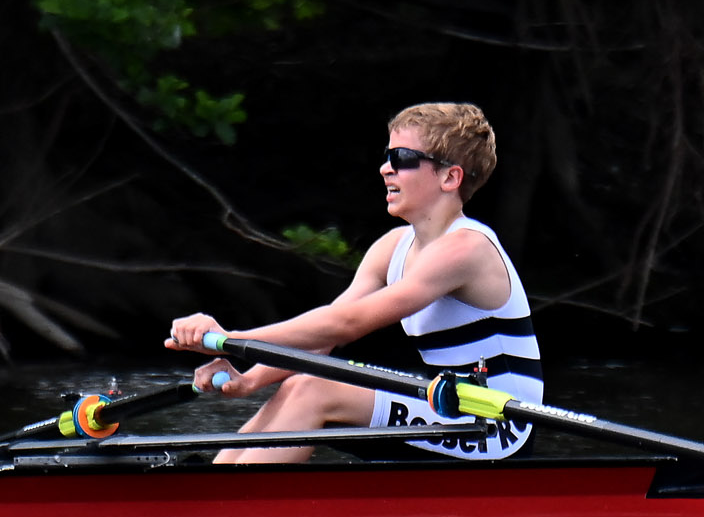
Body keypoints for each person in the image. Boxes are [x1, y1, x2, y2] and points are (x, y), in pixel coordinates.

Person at [165, 102, 541, 464]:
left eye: (403, 159)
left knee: (312, 389)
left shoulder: (466, 248)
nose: (385, 169)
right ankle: (214, 491)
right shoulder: (392, 247)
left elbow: (350, 324)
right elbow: (327, 334)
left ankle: (232, 511)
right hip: (454, 411)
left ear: (449, 177)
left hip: (498, 428)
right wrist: (249, 380)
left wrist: (231, 337)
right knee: (300, 383)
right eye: (387, 156)